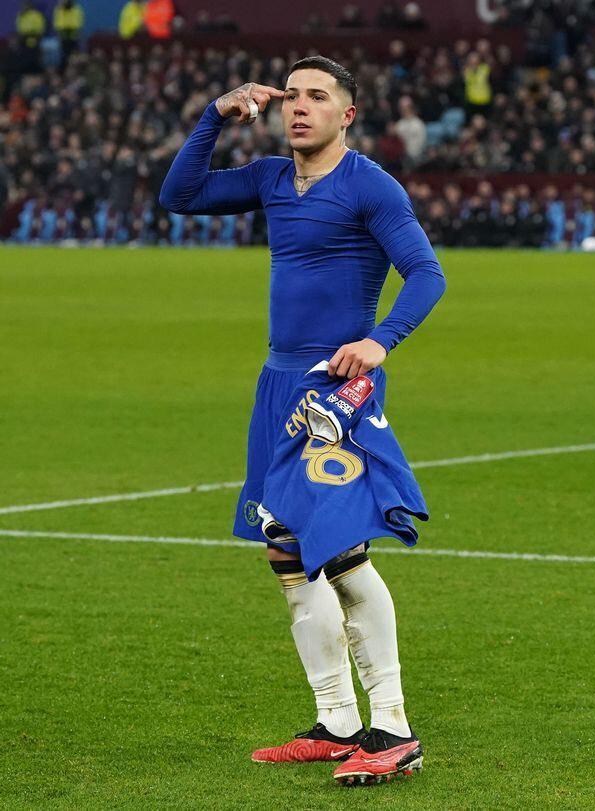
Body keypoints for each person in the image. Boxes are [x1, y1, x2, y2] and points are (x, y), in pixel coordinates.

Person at [159, 55, 445, 787]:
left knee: (341, 552)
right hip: (277, 384)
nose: (299, 107)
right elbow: (179, 194)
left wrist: (381, 340)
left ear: (346, 115)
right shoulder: (270, 178)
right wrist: (213, 117)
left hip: (333, 389)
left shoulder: (370, 185)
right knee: (286, 551)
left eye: (317, 96)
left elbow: (426, 273)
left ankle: (395, 729)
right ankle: (337, 722)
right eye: (290, 95)